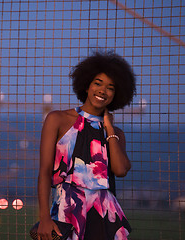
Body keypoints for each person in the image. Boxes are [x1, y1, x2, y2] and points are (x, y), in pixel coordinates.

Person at [37, 50, 136, 240]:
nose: (102, 91)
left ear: (117, 93)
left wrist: (108, 127)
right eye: (97, 83)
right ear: (87, 85)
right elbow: (44, 170)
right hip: (66, 212)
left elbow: (120, 170)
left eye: (110, 87)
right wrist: (43, 218)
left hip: (104, 216)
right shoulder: (58, 119)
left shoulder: (115, 134)